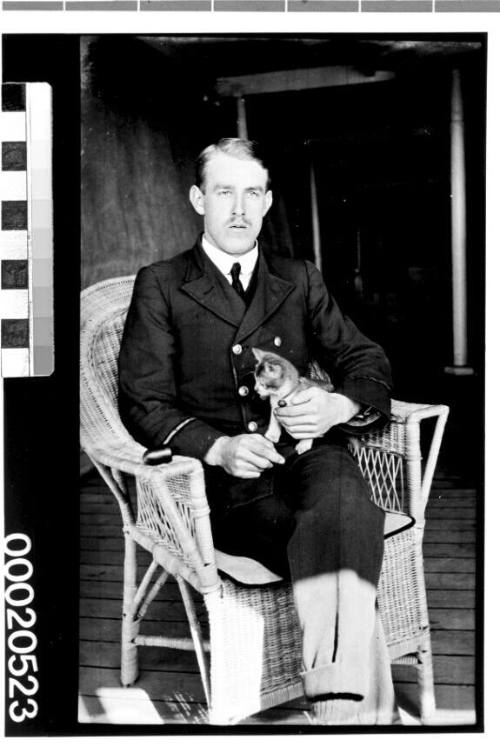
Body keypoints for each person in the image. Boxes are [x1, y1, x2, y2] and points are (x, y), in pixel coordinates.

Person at [118, 138, 396, 724]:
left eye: (252, 193)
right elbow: (143, 402)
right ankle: (358, 719)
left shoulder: (298, 279)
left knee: (348, 511)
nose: (239, 209)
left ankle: (337, 711)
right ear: (199, 200)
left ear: (268, 202)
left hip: (310, 456)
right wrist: (216, 446)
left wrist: (339, 407)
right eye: (224, 192)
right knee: (330, 542)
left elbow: (366, 361)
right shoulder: (163, 284)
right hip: (226, 483)